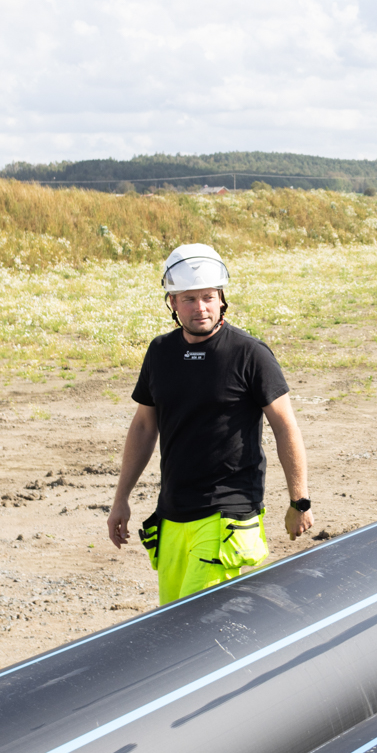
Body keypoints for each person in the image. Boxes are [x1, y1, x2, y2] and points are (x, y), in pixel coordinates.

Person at [107, 243, 315, 604]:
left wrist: (299, 500)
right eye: (189, 299)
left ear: (222, 299)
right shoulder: (160, 352)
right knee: (173, 620)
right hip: (173, 513)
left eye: (208, 297)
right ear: (172, 302)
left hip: (226, 513)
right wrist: (120, 499)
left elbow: (285, 426)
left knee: (199, 623)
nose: (200, 308)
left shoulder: (249, 353)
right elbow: (143, 427)